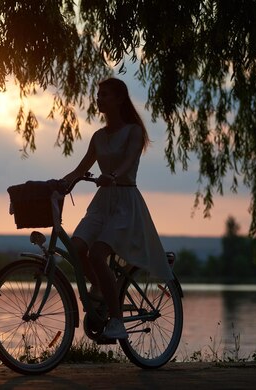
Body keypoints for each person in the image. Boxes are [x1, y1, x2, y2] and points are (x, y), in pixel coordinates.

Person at [62, 77, 173, 340]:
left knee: (98, 254)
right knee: (75, 248)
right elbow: (80, 169)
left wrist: (112, 175)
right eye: (97, 94)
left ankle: (117, 321)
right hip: (102, 202)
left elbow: (129, 160)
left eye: (105, 95)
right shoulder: (99, 136)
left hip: (125, 202)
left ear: (120, 99)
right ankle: (101, 287)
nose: (98, 99)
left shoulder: (133, 131)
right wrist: (58, 184)